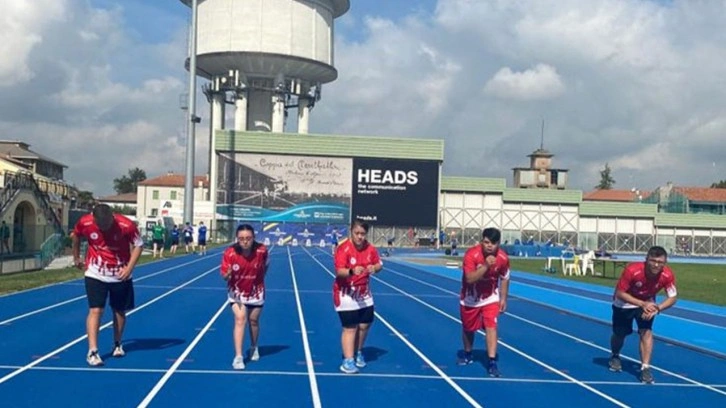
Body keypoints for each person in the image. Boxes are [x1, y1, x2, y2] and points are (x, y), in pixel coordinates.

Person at [72, 204, 144, 366]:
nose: (105, 228)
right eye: (101, 225)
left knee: (119, 311)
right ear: (94, 219)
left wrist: (130, 268)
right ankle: (93, 351)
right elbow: (76, 236)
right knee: (96, 310)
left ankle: (117, 343)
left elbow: (139, 245)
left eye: (107, 224)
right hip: (95, 273)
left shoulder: (126, 225)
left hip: (119, 274)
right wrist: (76, 257)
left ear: (112, 217)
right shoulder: (85, 222)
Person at [608, 246, 677, 384]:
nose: (656, 265)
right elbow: (620, 293)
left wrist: (658, 308)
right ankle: (615, 355)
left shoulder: (667, 275)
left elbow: (673, 297)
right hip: (624, 303)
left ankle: (645, 368)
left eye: (660, 262)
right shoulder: (632, 270)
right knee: (620, 333)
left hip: (647, 303)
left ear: (665, 263)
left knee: (646, 332)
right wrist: (641, 303)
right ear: (646, 260)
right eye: (653, 261)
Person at [457, 227, 510, 377]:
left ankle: (492, 362)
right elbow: (470, 278)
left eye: (493, 243)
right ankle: (468, 353)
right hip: (470, 298)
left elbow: (505, 277)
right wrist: (486, 266)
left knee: (491, 326)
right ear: (482, 241)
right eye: (486, 242)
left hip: (490, 297)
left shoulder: (503, 258)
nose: (489, 246)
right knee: (468, 328)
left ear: (498, 243)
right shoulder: (471, 255)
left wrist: (504, 298)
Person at [333, 220, 383, 374]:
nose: (360, 237)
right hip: (346, 293)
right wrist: (351, 271)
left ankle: (358, 351)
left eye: (362, 234)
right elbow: (339, 271)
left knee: (365, 325)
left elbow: (379, 264)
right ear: (351, 232)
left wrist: (374, 268)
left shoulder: (371, 249)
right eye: (357, 233)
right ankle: (348, 360)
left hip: (364, 293)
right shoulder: (343, 249)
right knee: (350, 327)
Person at [221, 224, 269, 370]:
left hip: (256, 290)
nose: (245, 241)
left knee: (253, 320)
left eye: (248, 238)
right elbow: (224, 275)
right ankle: (239, 356)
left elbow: (266, 265)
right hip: (237, 291)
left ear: (253, 238)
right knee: (240, 319)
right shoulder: (230, 253)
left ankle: (254, 346)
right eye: (241, 239)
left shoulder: (261, 250)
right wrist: (228, 275)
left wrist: (260, 279)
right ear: (237, 239)